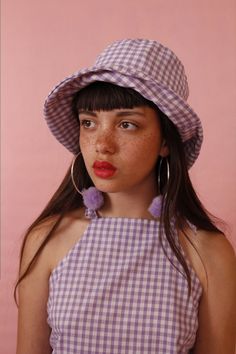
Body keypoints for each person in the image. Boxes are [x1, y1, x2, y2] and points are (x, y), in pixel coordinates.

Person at [15, 39, 236, 354]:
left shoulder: (209, 253)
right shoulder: (49, 239)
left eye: (127, 124)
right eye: (88, 123)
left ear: (165, 141)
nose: (102, 144)